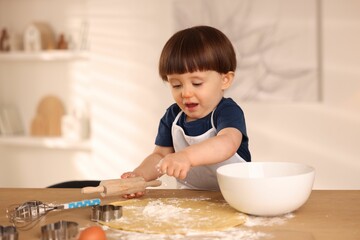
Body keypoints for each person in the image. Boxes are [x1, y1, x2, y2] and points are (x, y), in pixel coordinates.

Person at [121, 25, 251, 198]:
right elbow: (159, 156)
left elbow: (226, 144)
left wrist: (186, 157)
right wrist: (139, 177)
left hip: (235, 198)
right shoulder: (173, 116)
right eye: (176, 85)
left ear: (225, 80)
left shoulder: (227, 111)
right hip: (191, 199)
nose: (186, 93)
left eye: (197, 83)